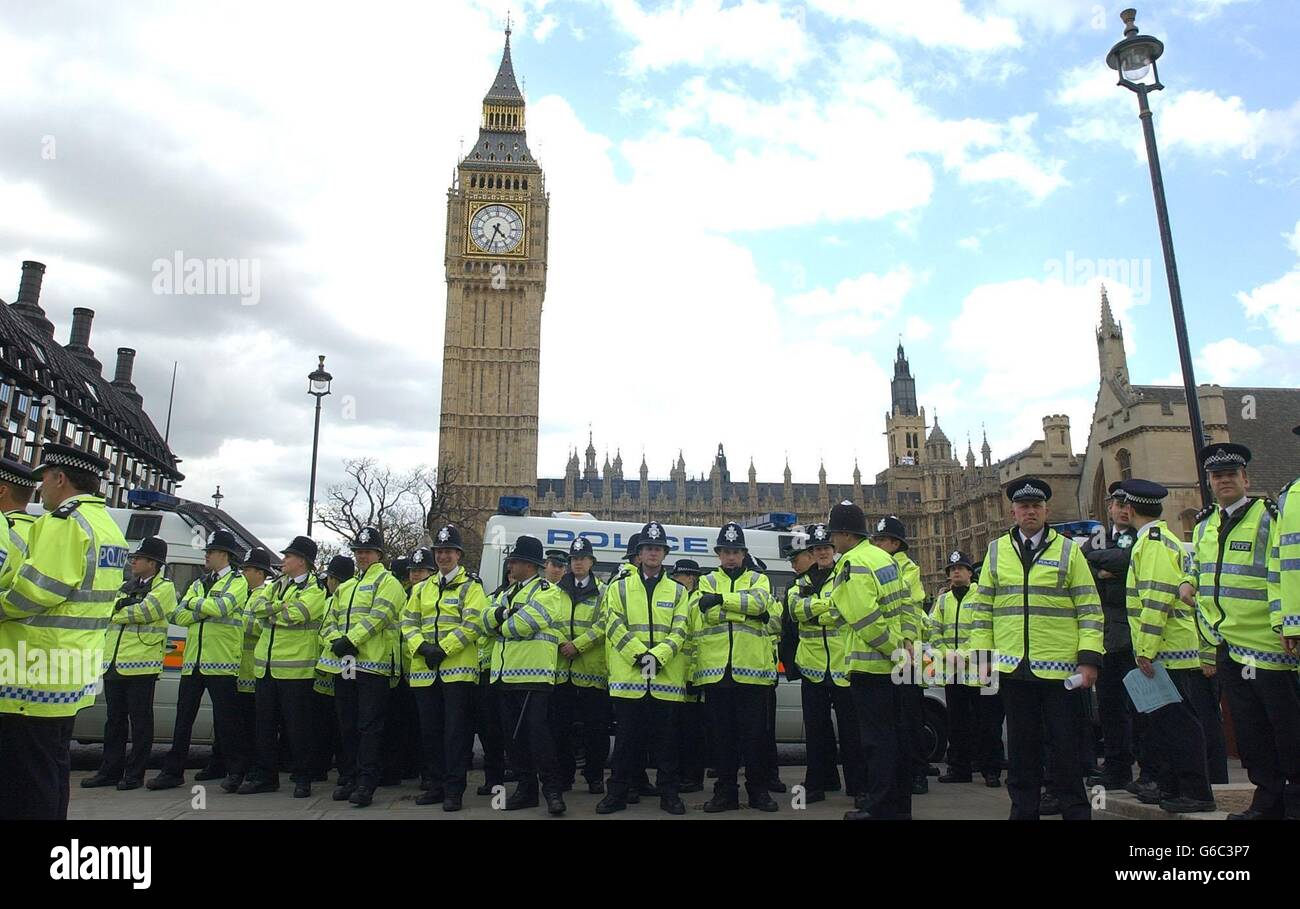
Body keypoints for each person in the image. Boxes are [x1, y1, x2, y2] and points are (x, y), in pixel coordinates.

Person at [0, 443, 127, 819]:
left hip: (33, 668)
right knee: (53, 770)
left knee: (25, 781)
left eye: (43, 479)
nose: (40, 488)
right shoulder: (106, 525)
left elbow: (35, 590)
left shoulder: (64, 522)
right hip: (71, 668)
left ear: (59, 478)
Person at [967, 478, 1103, 820]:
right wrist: (982, 657)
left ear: (1046, 510)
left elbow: (1089, 608)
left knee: (1066, 748)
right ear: (1012, 511)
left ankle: (1075, 810)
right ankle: (1023, 811)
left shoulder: (1069, 550)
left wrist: (1088, 659)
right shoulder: (997, 550)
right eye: (1023, 506)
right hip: (1015, 670)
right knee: (1023, 752)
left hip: (1061, 671)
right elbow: (982, 609)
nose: (1030, 511)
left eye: (1036, 506)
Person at [1183, 442, 1298, 819]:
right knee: (1250, 735)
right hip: (1228, 645)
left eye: (1231, 475)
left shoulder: (1269, 517)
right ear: (1210, 482)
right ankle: (1267, 802)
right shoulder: (1203, 525)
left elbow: (1285, 572)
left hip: (1270, 646)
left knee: (1287, 732)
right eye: (1217, 476)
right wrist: (1187, 583)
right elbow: (1198, 569)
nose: (1224, 481)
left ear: (1245, 479)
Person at [1121, 479, 1217, 814]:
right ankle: (1175, 786)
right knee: (1165, 725)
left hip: (1168, 651)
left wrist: (1145, 649)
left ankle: (1196, 791)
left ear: (1130, 510)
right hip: (1167, 649)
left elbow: (1158, 596)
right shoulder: (1157, 540)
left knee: (1180, 726)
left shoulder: (1154, 543)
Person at [827, 500, 912, 821]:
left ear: (847, 533)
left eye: (835, 533)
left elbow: (864, 618)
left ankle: (877, 809)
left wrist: (893, 650)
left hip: (871, 666)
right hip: (896, 668)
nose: (832, 540)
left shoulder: (853, 563)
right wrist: (906, 648)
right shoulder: (884, 558)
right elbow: (907, 608)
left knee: (877, 743)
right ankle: (899, 809)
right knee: (897, 740)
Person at [150, 529, 250, 793]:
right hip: (192, 661)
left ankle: (235, 771)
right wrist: (200, 606)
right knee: (182, 720)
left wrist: (195, 605)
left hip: (221, 662)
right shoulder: (199, 582)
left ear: (224, 555)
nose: (206, 555)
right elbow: (177, 616)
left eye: (211, 551)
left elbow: (222, 608)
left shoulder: (237, 582)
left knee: (227, 722)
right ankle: (172, 772)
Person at [692, 521, 779, 812]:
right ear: (719, 554)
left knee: (754, 738)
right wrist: (742, 612)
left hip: (751, 672)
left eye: (736, 551)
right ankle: (725, 793)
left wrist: (721, 602)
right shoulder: (706, 580)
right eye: (726, 551)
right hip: (717, 672)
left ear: (743, 554)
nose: (731, 557)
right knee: (722, 739)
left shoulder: (758, 579)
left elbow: (760, 604)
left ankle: (758, 791)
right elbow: (703, 614)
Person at [318, 526, 406, 807]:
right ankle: (352, 777)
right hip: (344, 664)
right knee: (348, 725)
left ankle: (367, 782)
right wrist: (337, 641)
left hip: (373, 665)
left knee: (369, 727)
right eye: (358, 551)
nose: (361, 556)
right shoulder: (346, 586)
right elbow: (327, 622)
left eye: (367, 551)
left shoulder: (388, 583)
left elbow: (379, 616)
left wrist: (351, 639)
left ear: (378, 554)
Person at [480, 534, 568, 814]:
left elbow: (525, 624)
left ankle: (553, 792)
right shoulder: (506, 593)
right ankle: (526, 790)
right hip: (505, 677)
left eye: (514, 561)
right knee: (513, 740)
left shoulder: (548, 591)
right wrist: (505, 614)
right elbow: (483, 620)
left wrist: (501, 621)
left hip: (534, 677)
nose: (510, 567)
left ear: (528, 565)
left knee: (539, 737)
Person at [83, 535, 176, 791]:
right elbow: (109, 609)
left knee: (140, 723)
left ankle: (134, 774)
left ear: (153, 562)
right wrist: (125, 606)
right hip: (114, 663)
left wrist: (123, 608)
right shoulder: (126, 585)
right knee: (114, 721)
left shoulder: (165, 587)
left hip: (141, 665)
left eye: (139, 558)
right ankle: (109, 771)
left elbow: (146, 612)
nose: (133, 561)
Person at [404, 524, 485, 812]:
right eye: (439, 552)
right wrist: (422, 647)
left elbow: (472, 624)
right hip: (426, 671)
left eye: (448, 551)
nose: (443, 557)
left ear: (458, 555)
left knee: (455, 735)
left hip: (457, 673)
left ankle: (454, 790)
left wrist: (444, 649)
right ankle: (436, 785)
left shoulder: (471, 587)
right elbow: (408, 621)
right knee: (431, 732)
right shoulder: (422, 588)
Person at [240, 536, 326, 798]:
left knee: (298, 728)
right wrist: (277, 609)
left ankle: (303, 777)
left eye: (288, 556)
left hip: (295, 670)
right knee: (264, 726)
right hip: (265, 668)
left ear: (302, 561)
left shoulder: (315, 589)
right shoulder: (276, 586)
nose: (284, 560)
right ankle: (266, 776)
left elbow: (296, 614)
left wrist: (273, 612)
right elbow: (255, 608)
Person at [788, 522, 865, 802]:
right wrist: (827, 606)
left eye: (826, 547)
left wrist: (815, 607)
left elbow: (847, 609)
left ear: (833, 550)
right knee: (817, 730)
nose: (822, 552)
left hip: (844, 664)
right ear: (811, 551)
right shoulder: (799, 583)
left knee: (851, 730)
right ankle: (819, 784)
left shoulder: (846, 577)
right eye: (817, 548)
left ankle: (857, 785)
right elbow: (796, 611)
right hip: (812, 666)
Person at [1081, 482, 1140, 791]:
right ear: (1110, 508)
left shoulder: (1144, 537)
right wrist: (1107, 568)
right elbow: (1082, 566)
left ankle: (1152, 769)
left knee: (1143, 707)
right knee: (1111, 708)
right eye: (1117, 504)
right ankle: (1118, 767)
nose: (1121, 509)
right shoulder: (1099, 539)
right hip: (1105, 638)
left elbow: (1129, 563)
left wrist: (1106, 564)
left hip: (1137, 638)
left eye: (1127, 504)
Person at [930, 549, 1003, 787]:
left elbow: (984, 630)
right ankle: (959, 767)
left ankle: (990, 769)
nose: (956, 572)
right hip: (954, 672)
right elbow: (934, 630)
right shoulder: (942, 601)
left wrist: (963, 655)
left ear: (970, 572)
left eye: (960, 568)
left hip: (981, 671)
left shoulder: (982, 596)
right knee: (957, 723)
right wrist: (945, 653)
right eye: (952, 570)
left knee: (987, 724)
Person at [870, 514, 931, 794]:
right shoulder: (875, 564)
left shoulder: (908, 569)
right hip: (886, 650)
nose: (877, 544)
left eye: (882, 540)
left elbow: (906, 602)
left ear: (895, 543)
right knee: (889, 720)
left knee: (910, 717)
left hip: (907, 652)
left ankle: (917, 772)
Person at [555, 536, 610, 794]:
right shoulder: (556, 590)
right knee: (561, 729)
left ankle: (594, 777)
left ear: (591, 562)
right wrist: (562, 642)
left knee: (595, 731)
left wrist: (578, 644)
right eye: (574, 559)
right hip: (562, 671)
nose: (578, 563)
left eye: (583, 558)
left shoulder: (604, 591)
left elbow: (604, 624)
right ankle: (564, 776)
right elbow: (550, 621)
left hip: (591, 672)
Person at [235, 546, 276, 786]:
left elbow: (259, 626)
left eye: (248, 569)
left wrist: (235, 623)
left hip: (255, 668)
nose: (244, 573)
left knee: (254, 724)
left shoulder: (265, 594)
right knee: (238, 724)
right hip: (238, 668)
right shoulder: (243, 593)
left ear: (260, 573)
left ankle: (253, 767)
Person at [312, 555, 354, 780]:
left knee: (334, 725)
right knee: (340, 724)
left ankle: (335, 770)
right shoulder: (347, 598)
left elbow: (324, 632)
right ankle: (341, 770)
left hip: (333, 671)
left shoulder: (332, 600)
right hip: (336, 670)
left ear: (333, 579)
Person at [670, 559, 708, 793]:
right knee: (676, 733)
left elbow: (699, 641)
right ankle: (680, 775)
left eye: (680, 576)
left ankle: (693, 778)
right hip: (674, 678)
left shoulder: (698, 600)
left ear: (691, 577)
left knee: (694, 734)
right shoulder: (679, 598)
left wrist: (693, 676)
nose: (676, 579)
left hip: (692, 679)